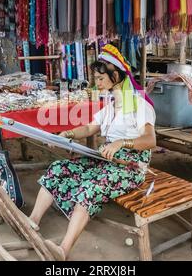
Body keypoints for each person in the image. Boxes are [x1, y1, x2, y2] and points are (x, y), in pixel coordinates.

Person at [28, 44, 157, 261]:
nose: (96, 82)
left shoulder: (139, 104)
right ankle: (32, 221)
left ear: (115, 75)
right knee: (59, 168)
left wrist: (122, 143)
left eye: (100, 77)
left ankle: (62, 250)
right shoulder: (111, 105)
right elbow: (89, 128)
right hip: (106, 158)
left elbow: (150, 140)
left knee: (90, 187)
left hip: (131, 167)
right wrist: (66, 134)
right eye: (95, 78)